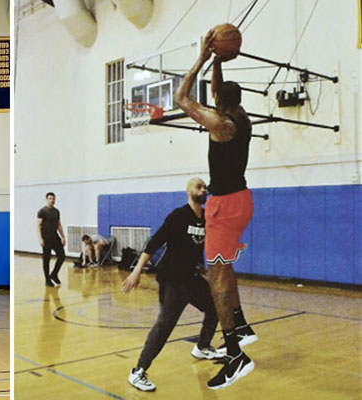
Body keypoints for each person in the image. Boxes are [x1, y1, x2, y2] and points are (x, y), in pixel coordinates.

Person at [175, 29, 257, 390]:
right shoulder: (241, 117)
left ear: (219, 101)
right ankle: (240, 323)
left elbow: (181, 98)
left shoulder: (220, 125)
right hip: (243, 199)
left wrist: (202, 58)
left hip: (224, 206)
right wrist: (219, 63)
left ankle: (236, 354)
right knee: (225, 266)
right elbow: (216, 93)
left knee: (217, 277)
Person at [122, 178, 223, 391]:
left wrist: (203, 269)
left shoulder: (204, 218)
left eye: (205, 187)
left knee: (215, 306)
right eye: (199, 187)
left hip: (191, 278)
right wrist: (136, 272)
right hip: (172, 279)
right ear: (188, 191)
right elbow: (153, 243)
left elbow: (197, 248)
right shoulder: (178, 216)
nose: (203, 189)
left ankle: (202, 346)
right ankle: (138, 371)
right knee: (165, 325)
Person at [37, 192, 66, 287]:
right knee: (46, 259)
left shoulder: (56, 211)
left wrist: (63, 236)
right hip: (46, 238)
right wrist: (40, 239)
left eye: (53, 198)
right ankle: (47, 279)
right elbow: (38, 226)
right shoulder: (42, 211)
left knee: (62, 256)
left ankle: (54, 274)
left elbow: (59, 224)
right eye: (50, 198)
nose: (52, 200)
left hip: (55, 237)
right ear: (47, 199)